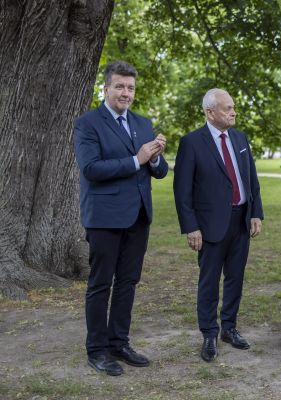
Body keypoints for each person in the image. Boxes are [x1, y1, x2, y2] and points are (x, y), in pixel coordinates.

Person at [74, 61, 168, 376]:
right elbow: (91, 169)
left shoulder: (143, 123)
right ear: (106, 89)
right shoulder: (88, 124)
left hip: (138, 216)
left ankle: (119, 343)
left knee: (128, 282)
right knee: (100, 285)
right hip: (104, 218)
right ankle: (97, 350)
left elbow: (159, 171)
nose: (126, 93)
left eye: (130, 88)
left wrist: (154, 159)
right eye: (119, 86)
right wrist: (137, 159)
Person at [173, 88, 264, 363]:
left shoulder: (240, 138)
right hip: (209, 226)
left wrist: (256, 213)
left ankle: (229, 328)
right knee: (209, 281)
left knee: (236, 278)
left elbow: (251, 179)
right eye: (228, 108)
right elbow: (182, 191)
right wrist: (191, 227)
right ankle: (209, 333)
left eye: (233, 107)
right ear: (210, 112)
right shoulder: (192, 142)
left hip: (241, 221)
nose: (233, 112)